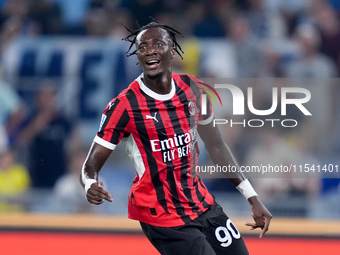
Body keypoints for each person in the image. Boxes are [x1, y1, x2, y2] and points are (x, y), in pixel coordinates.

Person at [80, 21, 272, 255]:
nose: (150, 50)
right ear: (138, 56)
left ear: (171, 51)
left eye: (158, 44)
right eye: (142, 47)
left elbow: (216, 145)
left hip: (201, 204)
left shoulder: (193, 89)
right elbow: (90, 166)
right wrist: (90, 184)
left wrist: (252, 197)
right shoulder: (124, 106)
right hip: (161, 215)